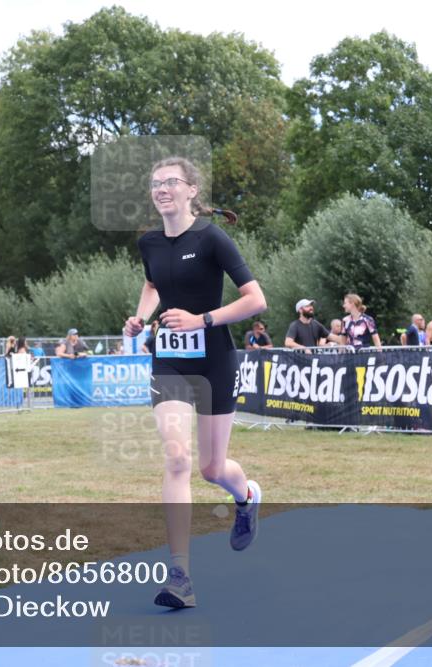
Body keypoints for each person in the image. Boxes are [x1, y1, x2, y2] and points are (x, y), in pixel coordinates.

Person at [123, 156, 266, 609]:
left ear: (190, 190)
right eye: (155, 183)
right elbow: (151, 284)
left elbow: (256, 300)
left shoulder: (212, 239)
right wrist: (140, 317)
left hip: (214, 361)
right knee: (178, 457)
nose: (162, 189)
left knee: (211, 468)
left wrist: (201, 319)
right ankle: (180, 576)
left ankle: (246, 495)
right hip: (169, 361)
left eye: (170, 182)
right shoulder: (149, 242)